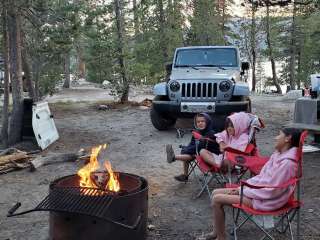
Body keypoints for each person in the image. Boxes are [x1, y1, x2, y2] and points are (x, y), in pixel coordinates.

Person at [197, 128, 302, 240]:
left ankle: (221, 238)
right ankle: (216, 233)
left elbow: (272, 191)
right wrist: (242, 187)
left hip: (267, 201)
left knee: (217, 199)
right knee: (215, 192)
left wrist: (243, 191)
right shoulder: (277, 155)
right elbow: (262, 178)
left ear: (288, 138)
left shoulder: (288, 164)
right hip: (259, 193)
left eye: (279, 134)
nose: (275, 138)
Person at [166, 113, 220, 182]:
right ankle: (184, 173)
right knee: (188, 152)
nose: (200, 123)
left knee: (191, 153)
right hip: (198, 152)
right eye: (198, 122)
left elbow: (200, 146)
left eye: (203, 121)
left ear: (208, 122)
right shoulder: (197, 132)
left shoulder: (211, 133)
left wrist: (187, 149)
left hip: (210, 156)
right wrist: (186, 148)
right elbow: (192, 144)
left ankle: (174, 158)